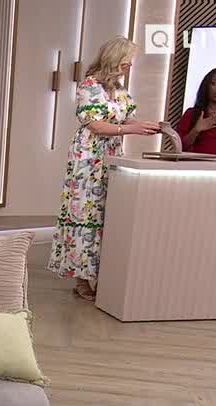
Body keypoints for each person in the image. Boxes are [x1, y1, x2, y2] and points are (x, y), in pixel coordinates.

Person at [47, 36, 160, 301]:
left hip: (110, 154)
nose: (130, 65)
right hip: (88, 157)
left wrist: (147, 125)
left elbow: (124, 118)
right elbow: (96, 125)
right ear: (114, 59)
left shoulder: (118, 90)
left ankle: (98, 275)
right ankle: (83, 278)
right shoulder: (90, 86)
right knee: (87, 212)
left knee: (104, 214)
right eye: (127, 60)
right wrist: (129, 129)